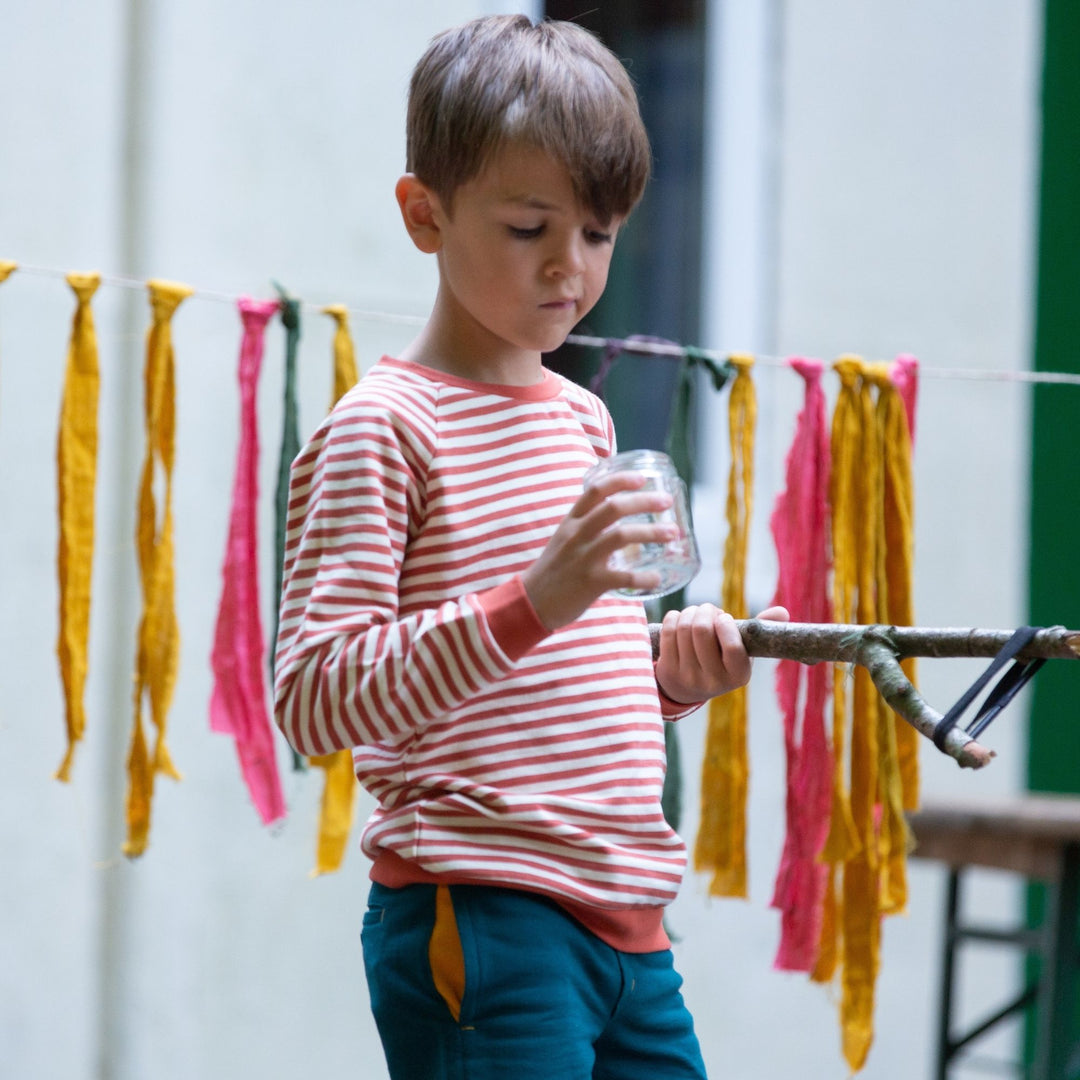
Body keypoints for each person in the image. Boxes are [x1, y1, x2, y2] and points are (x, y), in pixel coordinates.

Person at [274, 14, 786, 1080]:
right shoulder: (385, 426)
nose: (572, 267)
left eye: (599, 234)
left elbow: (541, 687)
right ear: (424, 214)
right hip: (485, 916)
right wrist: (536, 599)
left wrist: (673, 684)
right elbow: (314, 697)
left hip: (632, 929)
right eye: (529, 229)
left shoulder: (579, 422)